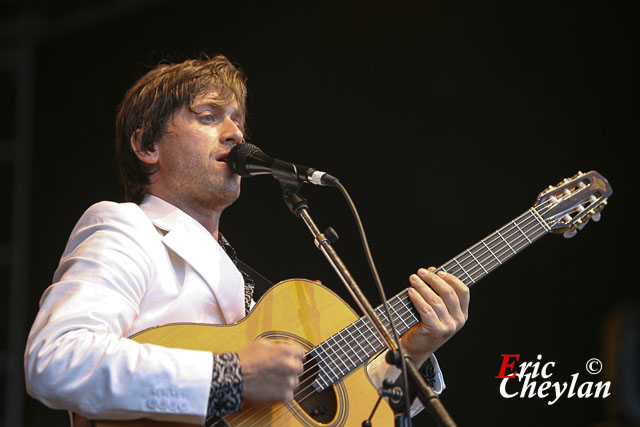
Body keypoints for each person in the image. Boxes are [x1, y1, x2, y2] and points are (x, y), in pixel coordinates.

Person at [24, 55, 470, 425]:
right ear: (147, 146)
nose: (236, 132)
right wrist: (230, 375)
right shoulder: (126, 227)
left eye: (237, 119)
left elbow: (351, 412)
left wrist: (411, 350)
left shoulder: (243, 280)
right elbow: (57, 360)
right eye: (208, 116)